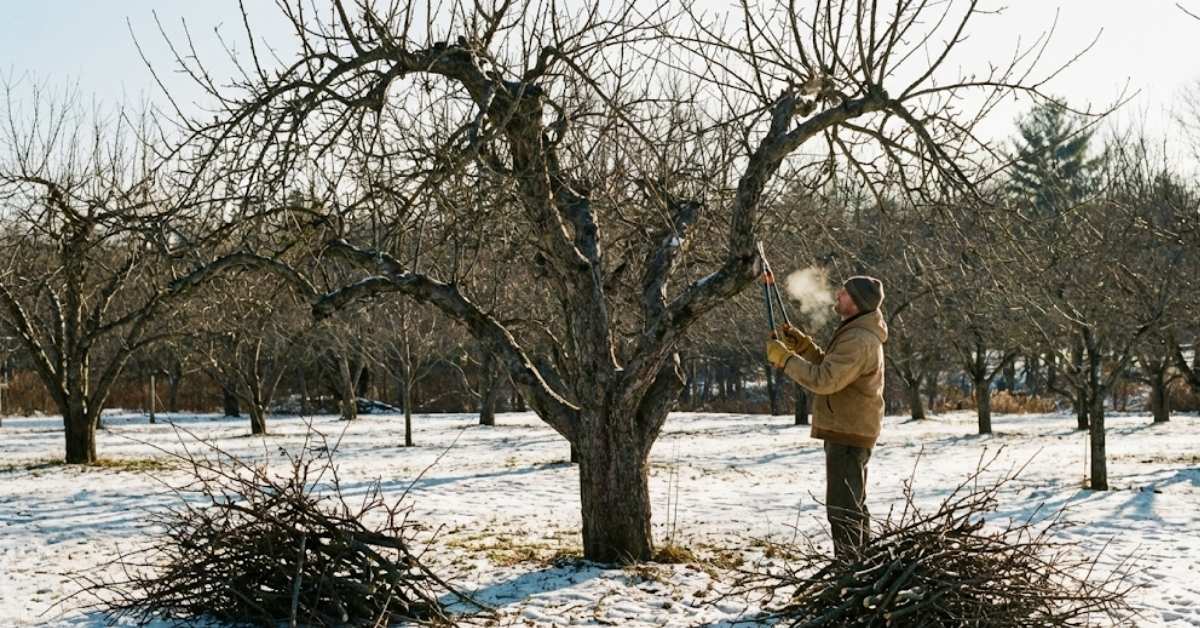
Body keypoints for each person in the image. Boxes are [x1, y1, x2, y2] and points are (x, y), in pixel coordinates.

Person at [766, 275, 887, 559]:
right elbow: (835, 370)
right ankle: (860, 569)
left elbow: (825, 380)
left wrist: (785, 359)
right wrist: (805, 349)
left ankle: (850, 571)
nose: (837, 296)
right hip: (849, 430)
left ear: (857, 303)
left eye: (844, 294)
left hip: (849, 434)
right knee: (852, 505)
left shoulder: (858, 339)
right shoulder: (856, 331)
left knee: (843, 510)